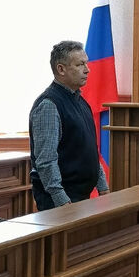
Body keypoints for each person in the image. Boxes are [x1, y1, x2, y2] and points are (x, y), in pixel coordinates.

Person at [29, 40, 109, 211]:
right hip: (61, 201)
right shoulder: (49, 105)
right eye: (80, 64)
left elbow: (90, 151)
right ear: (61, 69)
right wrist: (62, 201)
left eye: (86, 63)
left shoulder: (81, 102)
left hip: (80, 197)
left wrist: (103, 188)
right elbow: (46, 160)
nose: (87, 69)